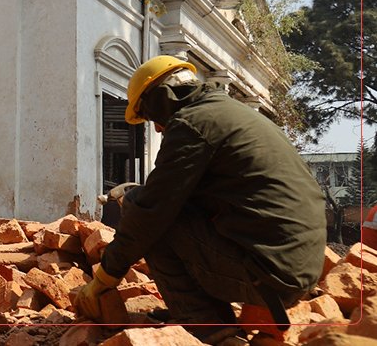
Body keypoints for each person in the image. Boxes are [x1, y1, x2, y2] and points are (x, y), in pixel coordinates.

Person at [74, 56, 326, 343]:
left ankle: (211, 330)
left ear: (163, 99)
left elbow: (149, 213)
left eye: (150, 115)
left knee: (141, 208)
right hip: (295, 267)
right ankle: (215, 318)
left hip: (271, 276)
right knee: (163, 207)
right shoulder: (231, 114)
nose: (156, 128)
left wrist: (104, 279)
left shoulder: (192, 124)